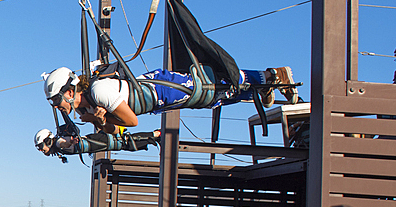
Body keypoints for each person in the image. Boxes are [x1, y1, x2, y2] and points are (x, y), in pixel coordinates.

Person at [42, 66, 297, 132]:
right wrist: (99, 122)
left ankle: (269, 76)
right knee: (211, 98)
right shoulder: (87, 110)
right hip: (159, 100)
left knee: (208, 90)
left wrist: (101, 119)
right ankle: (258, 89)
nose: (58, 107)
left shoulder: (99, 91)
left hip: (162, 91)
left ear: (69, 92)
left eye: (56, 101)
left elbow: (130, 122)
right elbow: (112, 130)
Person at [34, 127, 160, 158]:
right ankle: (154, 137)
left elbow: (63, 143)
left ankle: (156, 135)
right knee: (125, 144)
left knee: (125, 142)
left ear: (48, 141)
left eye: (40, 146)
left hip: (98, 141)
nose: (40, 150)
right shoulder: (58, 146)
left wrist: (69, 143)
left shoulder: (58, 143)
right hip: (96, 142)